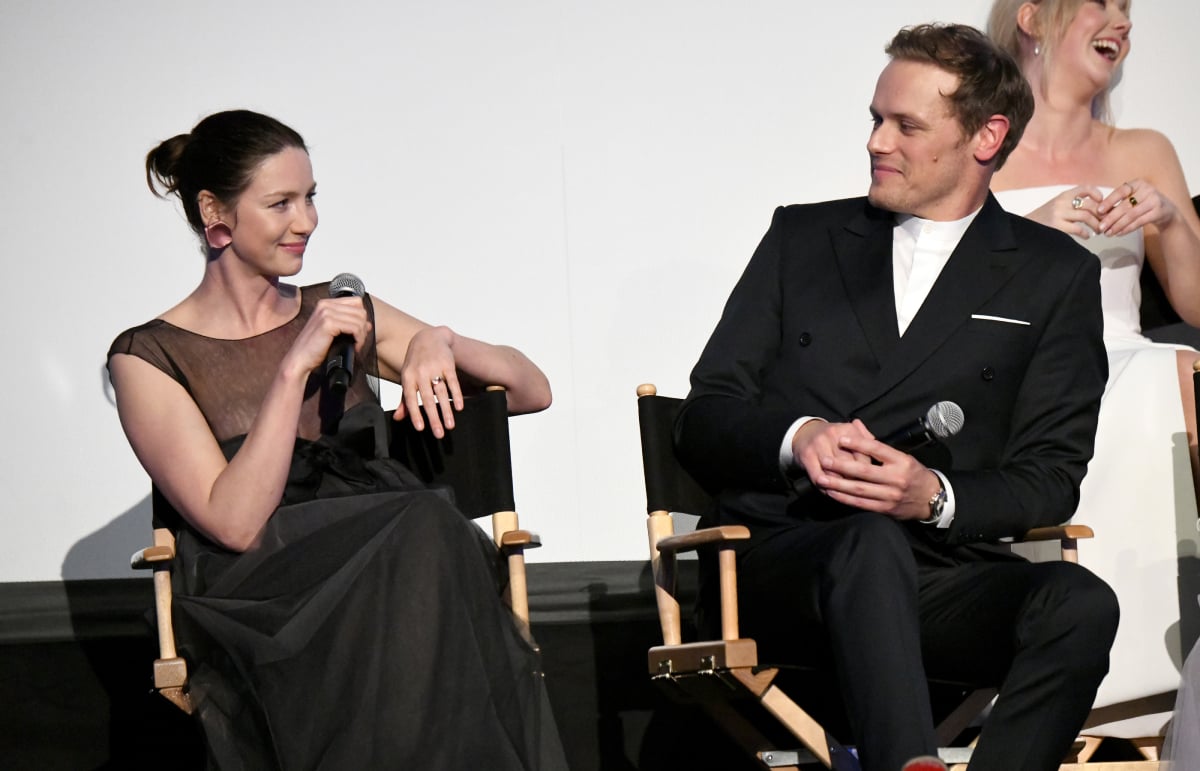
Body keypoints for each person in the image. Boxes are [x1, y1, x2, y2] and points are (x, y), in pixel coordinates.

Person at [673, 23, 1118, 771]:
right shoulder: (804, 240)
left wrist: (933, 495)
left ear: (986, 136)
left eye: (906, 125)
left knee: (1080, 603)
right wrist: (799, 436)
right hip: (788, 568)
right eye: (876, 118)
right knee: (865, 539)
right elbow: (704, 416)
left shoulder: (1053, 276)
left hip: (933, 571)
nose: (878, 141)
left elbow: (1050, 474)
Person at [106, 110, 567, 770]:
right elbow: (234, 522)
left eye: (312, 196)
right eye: (281, 203)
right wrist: (295, 366)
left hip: (395, 569)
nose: (307, 221)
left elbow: (532, 389)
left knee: (425, 531)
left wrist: (442, 340)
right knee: (423, 528)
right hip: (266, 594)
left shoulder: (341, 310)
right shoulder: (149, 357)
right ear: (216, 211)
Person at [987, 0, 1200, 741]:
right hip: (1012, 366)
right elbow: (930, 297)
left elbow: (1197, 303)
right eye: (1103, 3)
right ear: (1034, 16)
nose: (1123, 22)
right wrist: (1030, 233)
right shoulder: (979, 145)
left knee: (1180, 370)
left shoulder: (1143, 146)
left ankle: (1181, 671)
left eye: (1129, 10)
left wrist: (1169, 219)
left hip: (1127, 351)